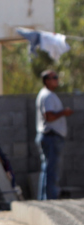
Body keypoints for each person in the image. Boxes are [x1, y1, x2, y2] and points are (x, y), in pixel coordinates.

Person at [35, 69, 73, 200]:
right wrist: (64, 112)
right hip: (51, 137)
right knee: (52, 171)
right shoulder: (48, 96)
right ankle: (50, 200)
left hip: (49, 137)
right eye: (54, 77)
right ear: (47, 80)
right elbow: (49, 116)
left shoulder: (46, 94)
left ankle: (44, 200)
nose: (57, 79)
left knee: (47, 170)